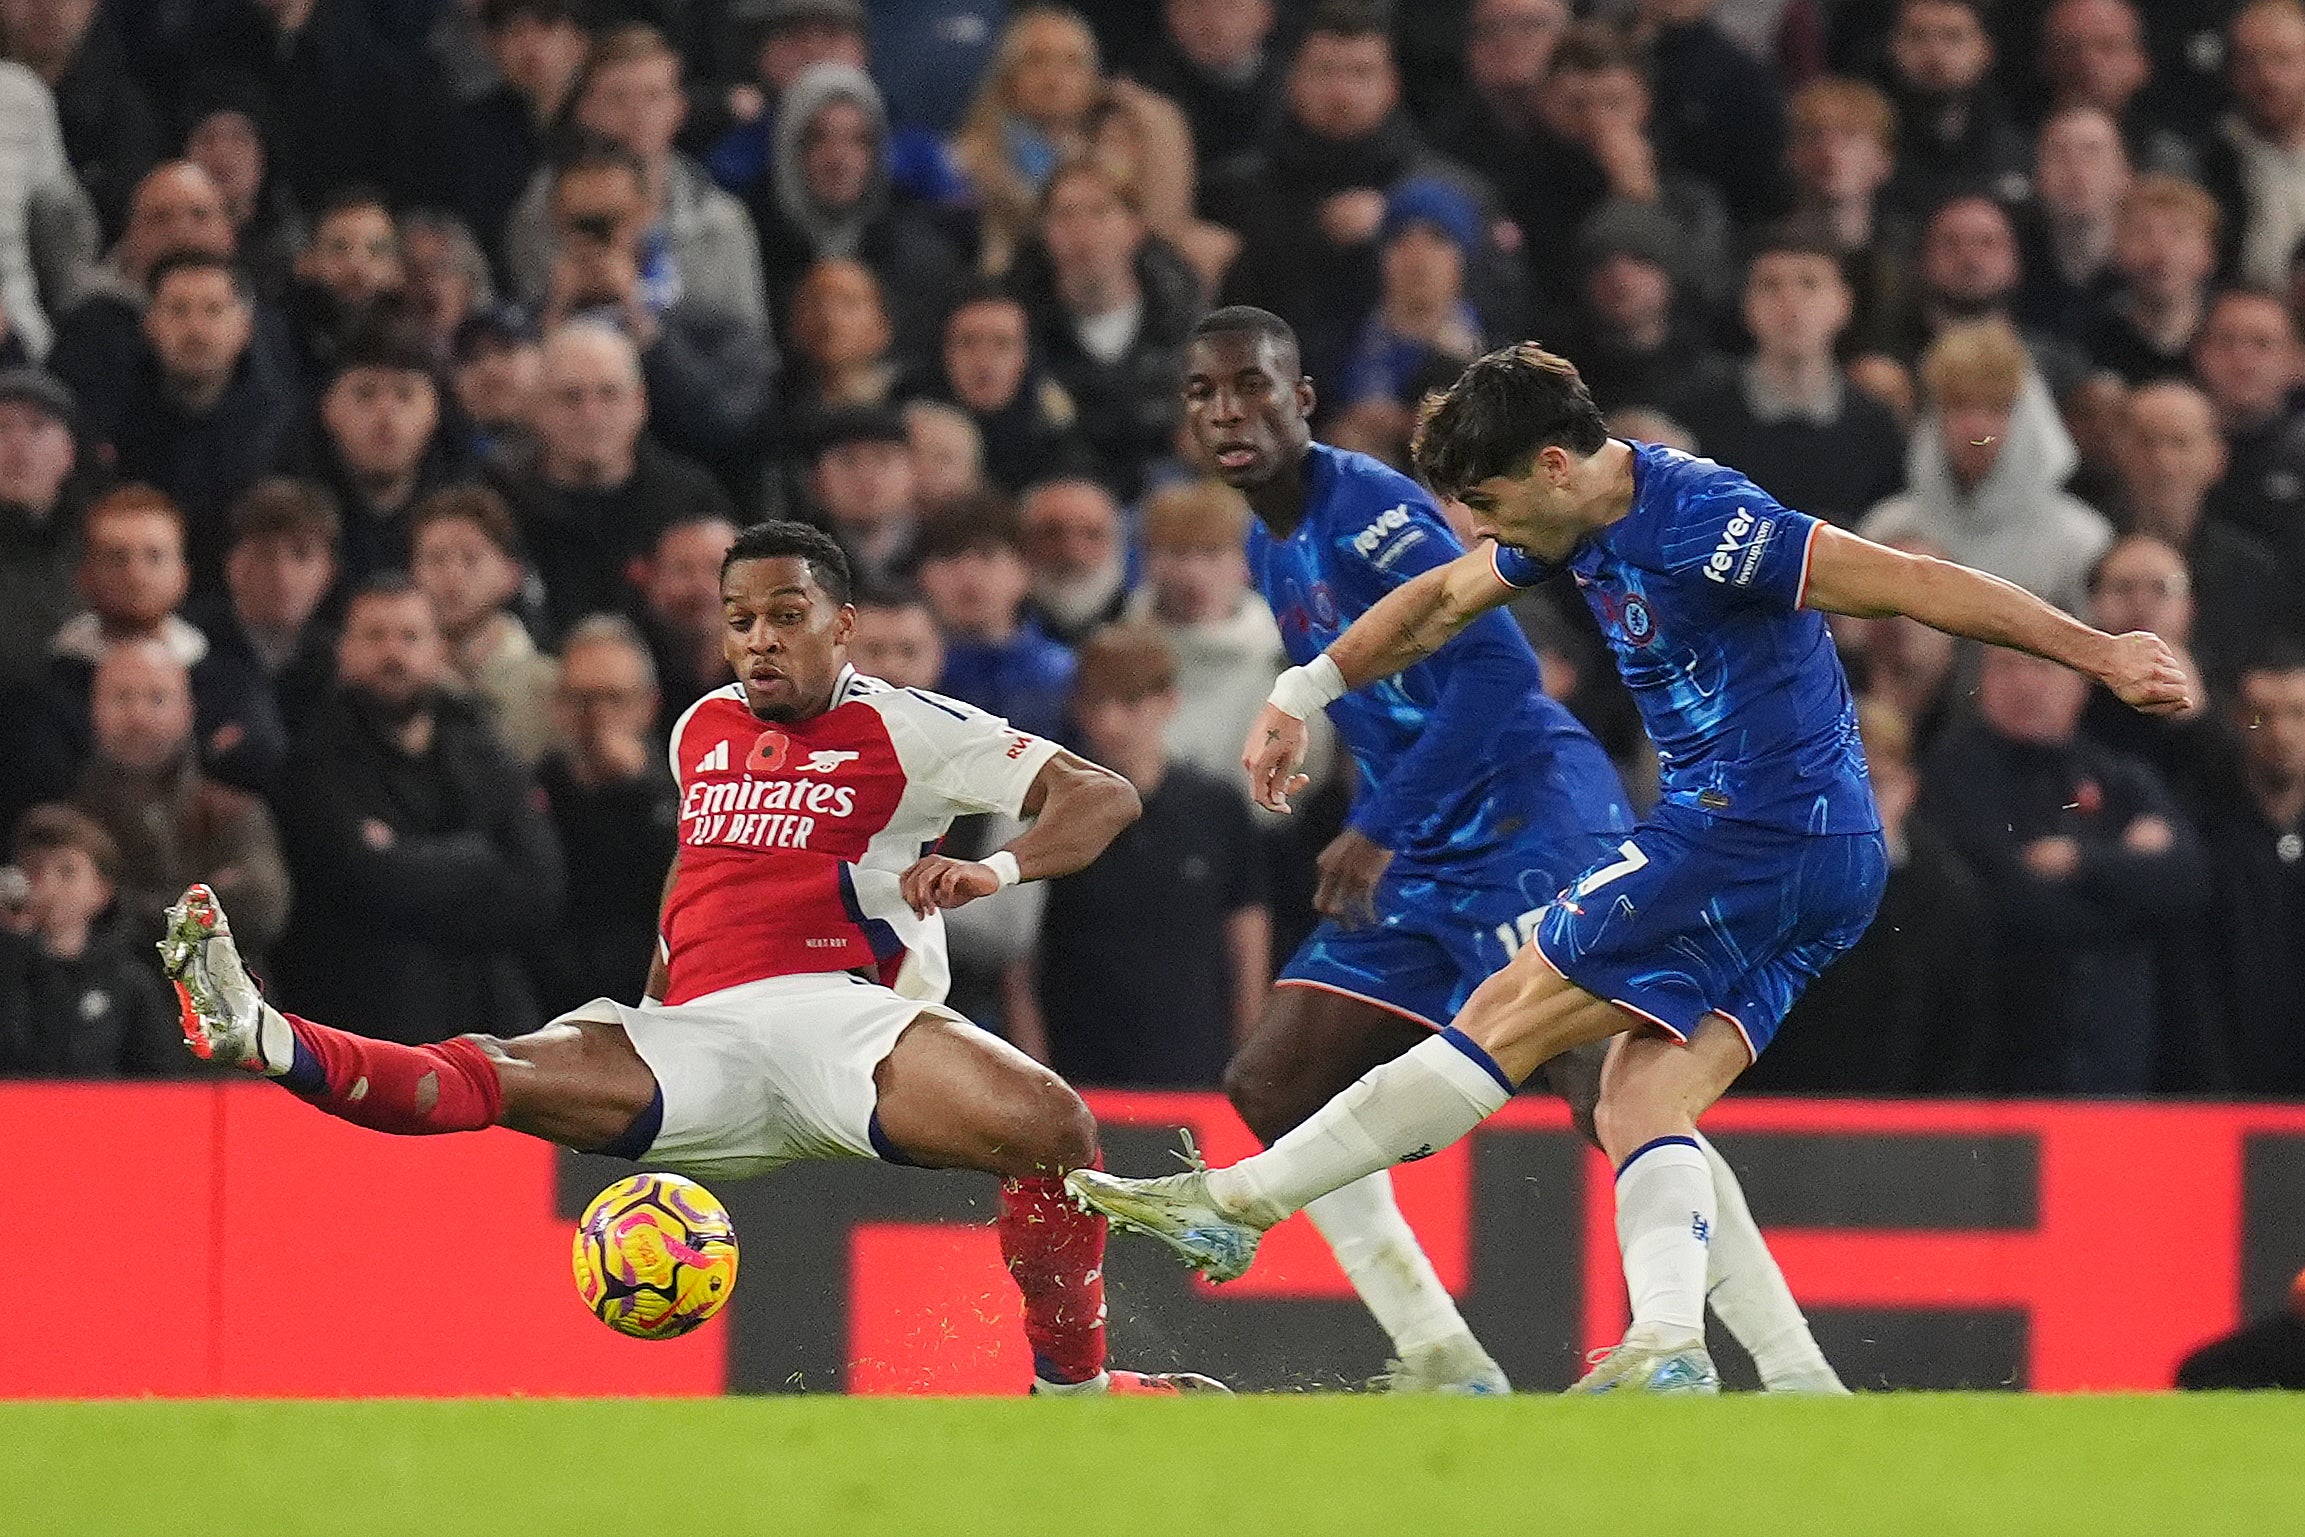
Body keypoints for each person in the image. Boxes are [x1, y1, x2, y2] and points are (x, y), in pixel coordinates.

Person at [1068, 338, 2189, 1394]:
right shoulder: (1570, 514)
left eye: (1494, 502)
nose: (1484, 529)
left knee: (1508, 1009)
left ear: (1552, 464)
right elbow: (1439, 602)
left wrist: (2099, 651)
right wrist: (1303, 691)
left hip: (1746, 829)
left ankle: (1237, 1203)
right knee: (1641, 1091)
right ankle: (1670, 1342)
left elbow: (1908, 581)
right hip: (1825, 861)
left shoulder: (1707, 519)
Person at [163, 519, 1225, 1396]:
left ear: (844, 625)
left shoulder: (912, 728)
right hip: (694, 1039)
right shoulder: (699, 728)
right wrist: (652, 1006)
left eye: (786, 616)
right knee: (485, 1070)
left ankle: (1072, 1393)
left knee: (1053, 1128)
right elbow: (696, 871)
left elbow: (1101, 794)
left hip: (842, 1021)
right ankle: (259, 1032)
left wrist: (993, 876)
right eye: (740, 620)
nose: (759, 640)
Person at [1094, 309, 1854, 1395]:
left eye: (1252, 387)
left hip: (1522, 820)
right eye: (1205, 392)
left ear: (1300, 397)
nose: (1230, 411)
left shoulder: (1367, 506)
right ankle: (1442, 1355)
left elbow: (1497, 671)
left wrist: (1376, 825)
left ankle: (1790, 1369)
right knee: (1273, 1078)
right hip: (1425, 846)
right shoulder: (1271, 540)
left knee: (1612, 1097)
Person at [267, 574, 564, 1044]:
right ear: (344, 651)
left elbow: (540, 888)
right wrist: (480, 858)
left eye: (410, 636)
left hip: (492, 1019)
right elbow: (362, 884)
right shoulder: (315, 764)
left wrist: (408, 862)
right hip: (367, 1019)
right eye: (375, 636)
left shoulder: (485, 751)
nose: (393, 654)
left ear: (438, 650)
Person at [1918, 646, 2205, 1091]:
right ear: (1980, 682)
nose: (2027, 684)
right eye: (2009, 666)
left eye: (2043, 667)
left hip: (2116, 1068)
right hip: (1994, 1066)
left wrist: (2081, 861)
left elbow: (2186, 881)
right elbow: (2003, 899)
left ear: (2082, 684)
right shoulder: (1953, 772)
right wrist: (2127, 876)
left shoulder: (2117, 775)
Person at [1018, 622, 1268, 1088]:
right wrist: (1035, 1068)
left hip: (1195, 1063)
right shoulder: (1044, 809)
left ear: (1168, 702)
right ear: (1078, 707)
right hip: (1078, 1066)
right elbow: (1021, 953)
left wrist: (1247, 1054)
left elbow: (1247, 936)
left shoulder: (1216, 808)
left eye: (1130, 703)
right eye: (1096, 703)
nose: (1110, 722)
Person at [490, 320, 735, 637]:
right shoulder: (500, 507)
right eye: (571, 397)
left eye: (609, 394)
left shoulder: (690, 500)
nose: (591, 415)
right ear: (536, 408)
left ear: (640, 404)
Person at [1861, 318, 2113, 613]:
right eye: (1959, 405)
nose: (1976, 428)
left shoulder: (2081, 541)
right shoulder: (1889, 531)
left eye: (1996, 408)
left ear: (2028, 419)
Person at [1669, 220, 1907, 526]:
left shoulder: (1877, 429)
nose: (1790, 303)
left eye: (1809, 284)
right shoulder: (1696, 416)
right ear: (1747, 305)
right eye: (1770, 286)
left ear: (1844, 304)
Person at [72, 637, 290, 965]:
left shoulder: (235, 812)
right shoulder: (70, 823)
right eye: (121, 697)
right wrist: (202, 897)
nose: (139, 715)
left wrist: (118, 907)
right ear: (94, 709)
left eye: (157, 698)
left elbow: (261, 907)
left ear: (188, 710)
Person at [105, 251, 300, 592]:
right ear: (150, 324)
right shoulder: (116, 420)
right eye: (178, 310)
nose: (195, 329)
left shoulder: (287, 428)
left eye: (213, 310)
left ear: (244, 329)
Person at [1010, 157, 1202, 500]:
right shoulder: (1017, 327)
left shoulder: (1187, 321)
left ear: (1134, 227)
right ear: (1045, 232)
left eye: (1099, 212)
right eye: (1065, 214)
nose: (1081, 230)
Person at [752, 62, 964, 365]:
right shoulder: (749, 243)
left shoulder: (924, 257)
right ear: (789, 149)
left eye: (858, 140)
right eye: (819, 139)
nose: (839, 159)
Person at [534, 613, 678, 1015]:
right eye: (580, 699)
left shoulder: (681, 796)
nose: (595, 717)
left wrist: (643, 790)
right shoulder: (532, 792)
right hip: (550, 1004)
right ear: (557, 705)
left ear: (649, 706)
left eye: (613, 699)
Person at [277, 308, 476, 588]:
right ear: (328, 410)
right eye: (365, 394)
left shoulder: (471, 507)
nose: (386, 416)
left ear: (435, 413)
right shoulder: (283, 508)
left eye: (405, 395)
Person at [2194, 647, 2305, 1092]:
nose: (2281, 733)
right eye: (2262, 716)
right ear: (2238, 720)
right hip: (2227, 1096)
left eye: (2299, 715)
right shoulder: (2203, 833)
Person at [0, 804, 179, 1078]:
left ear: (102, 891)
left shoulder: (128, 981)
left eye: (67, 872)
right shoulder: (10, 968)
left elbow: (160, 1077)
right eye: (35, 870)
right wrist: (16, 949)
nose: (48, 885)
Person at [408, 484, 560, 764]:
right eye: (435, 559)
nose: (452, 577)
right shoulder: (397, 680)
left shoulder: (552, 688)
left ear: (511, 575)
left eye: (471, 559)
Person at [914, 494, 1076, 744]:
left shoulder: (1066, 676)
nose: (968, 576)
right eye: (949, 557)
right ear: (922, 576)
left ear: (1024, 570)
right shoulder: (904, 674)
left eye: (986, 556)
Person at [198, 476, 339, 735]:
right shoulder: (192, 648)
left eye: (301, 554)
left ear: (329, 572)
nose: (282, 574)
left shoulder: (340, 661)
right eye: (265, 554)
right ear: (234, 566)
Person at [931, 280, 1095, 496]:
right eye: (967, 342)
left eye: (1002, 344)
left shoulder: (1062, 447)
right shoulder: (909, 438)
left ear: (1027, 357)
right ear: (943, 354)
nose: (984, 362)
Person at [2199, 0, 2305, 291]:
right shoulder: (2205, 163)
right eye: (2251, 61)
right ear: (2231, 71)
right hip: (2238, 316)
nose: (2267, 76)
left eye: (2282, 59)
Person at [2082, 173, 2221, 382]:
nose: (2160, 249)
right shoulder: (2092, 339)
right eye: (2142, 233)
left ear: (2207, 253)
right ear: (2117, 252)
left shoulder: (2227, 337)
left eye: (2177, 232)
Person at [0, 366, 87, 689]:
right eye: (2, 428)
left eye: (37, 428)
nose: (18, 445)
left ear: (68, 453)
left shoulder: (100, 544)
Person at [630, 509, 739, 734]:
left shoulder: (780, 676)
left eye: (716, 569)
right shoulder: (627, 669)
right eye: (683, 570)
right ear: (652, 581)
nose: (701, 588)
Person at [1017, 475, 1130, 644]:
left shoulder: (1146, 626)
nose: (1072, 551)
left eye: (1092, 535)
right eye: (1052, 533)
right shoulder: (1000, 631)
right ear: (1023, 543)